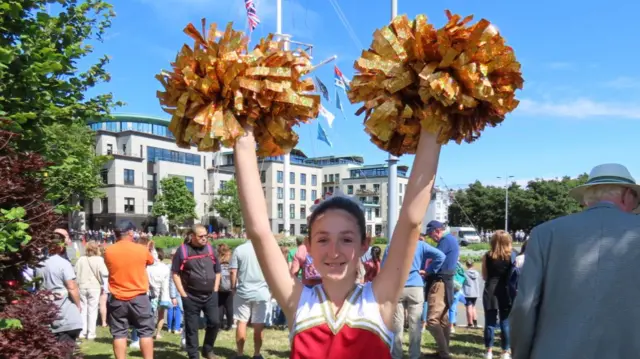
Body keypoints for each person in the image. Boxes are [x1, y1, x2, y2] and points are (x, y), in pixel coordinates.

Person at [232, 125, 441, 358]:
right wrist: (243, 130)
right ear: (308, 246)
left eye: (346, 239)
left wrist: (433, 122)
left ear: (364, 244)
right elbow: (259, 230)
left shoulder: (379, 299)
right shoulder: (298, 301)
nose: (334, 251)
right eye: (323, 239)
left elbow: (412, 221)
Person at [511, 164, 640, 359]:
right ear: (627, 195)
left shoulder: (545, 233)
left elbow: (525, 305)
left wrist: (521, 353)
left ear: (588, 198)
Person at [383, 235, 445, 359]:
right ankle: (414, 355)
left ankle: (396, 355)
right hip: (416, 286)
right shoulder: (420, 245)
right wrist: (429, 270)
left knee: (397, 325)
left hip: (398, 287)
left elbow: (384, 267)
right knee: (415, 324)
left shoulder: (392, 246)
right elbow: (441, 256)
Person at [104, 221, 155, 359]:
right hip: (139, 296)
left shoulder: (108, 250)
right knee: (146, 332)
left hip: (117, 297)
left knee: (119, 333)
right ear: (131, 233)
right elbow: (151, 261)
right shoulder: (140, 249)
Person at [171, 224, 221, 359]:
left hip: (210, 295)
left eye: (206, 236)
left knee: (215, 322)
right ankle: (193, 355)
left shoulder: (211, 249)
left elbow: (217, 271)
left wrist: (215, 290)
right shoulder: (183, 251)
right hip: (191, 296)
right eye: (201, 236)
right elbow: (175, 273)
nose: (204, 238)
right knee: (192, 328)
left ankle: (207, 349)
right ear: (192, 236)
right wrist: (183, 294)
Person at [36, 233, 83, 359]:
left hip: (46, 310)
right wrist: (78, 305)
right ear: (61, 246)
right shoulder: (63, 263)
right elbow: (71, 287)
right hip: (64, 310)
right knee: (65, 350)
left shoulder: (39, 264)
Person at [229, 239, 270, 359]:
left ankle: (240, 354)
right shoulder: (264, 249)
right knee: (259, 324)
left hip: (243, 291)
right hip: (262, 292)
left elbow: (233, 271)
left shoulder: (239, 249)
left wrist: (233, 287)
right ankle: (257, 354)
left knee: (242, 322)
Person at [425, 220, 461, 359]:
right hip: (448, 282)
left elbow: (437, 257)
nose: (431, 237)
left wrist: (427, 271)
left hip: (440, 282)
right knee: (443, 319)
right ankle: (443, 351)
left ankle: (444, 353)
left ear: (437, 230)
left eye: (431, 234)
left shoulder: (445, 241)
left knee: (432, 320)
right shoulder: (451, 239)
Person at [482, 231, 515, 359]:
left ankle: (488, 351)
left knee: (490, 322)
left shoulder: (487, 256)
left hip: (490, 290)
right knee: (505, 322)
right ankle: (505, 352)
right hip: (506, 290)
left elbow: (485, 276)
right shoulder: (512, 256)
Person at [74, 240, 108, 340]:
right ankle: (91, 333)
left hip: (82, 286)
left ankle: (82, 332)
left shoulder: (81, 259)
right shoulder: (99, 260)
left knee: (83, 309)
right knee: (92, 310)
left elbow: (75, 271)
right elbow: (105, 273)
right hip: (94, 286)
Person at [216, 243, 234, 331]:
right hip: (230, 287)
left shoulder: (217, 260)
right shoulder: (231, 259)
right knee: (229, 306)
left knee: (220, 306)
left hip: (220, 287)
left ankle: (220, 325)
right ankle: (229, 324)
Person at [462, 259, 481, 329]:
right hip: (475, 292)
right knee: (473, 307)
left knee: (469, 307)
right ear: (473, 265)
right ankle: (475, 322)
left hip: (468, 292)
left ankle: (470, 323)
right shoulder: (477, 273)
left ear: (467, 265)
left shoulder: (465, 273)